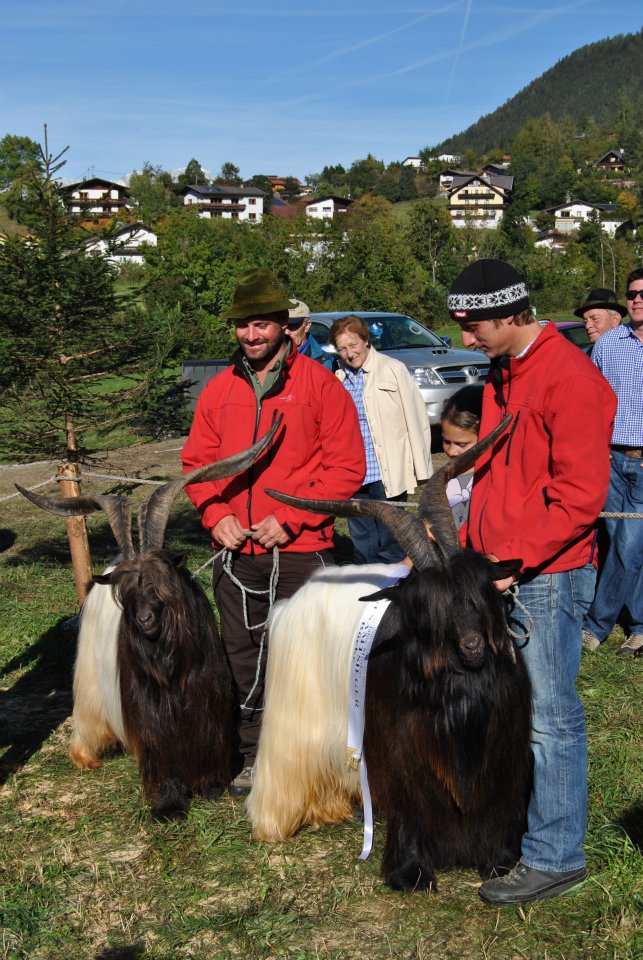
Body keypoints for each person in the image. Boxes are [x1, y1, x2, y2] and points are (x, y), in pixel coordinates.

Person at [448, 258, 616, 905]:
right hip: (498, 573)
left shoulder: (567, 378)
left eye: (472, 325)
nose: (465, 338)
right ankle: (519, 828)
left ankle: (555, 856)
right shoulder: (502, 374)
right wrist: (470, 548)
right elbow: (493, 474)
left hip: (542, 578)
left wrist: (511, 558)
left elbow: (578, 496)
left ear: (511, 312)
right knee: (511, 713)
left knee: (550, 719)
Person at [182, 268, 365, 795]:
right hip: (236, 552)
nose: (251, 335)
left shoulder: (320, 386)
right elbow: (197, 465)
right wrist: (217, 516)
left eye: (261, 324)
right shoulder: (218, 391)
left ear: (285, 327)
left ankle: (326, 763)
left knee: (313, 659)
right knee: (245, 656)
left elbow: (346, 468)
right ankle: (255, 755)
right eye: (243, 325)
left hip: (302, 550)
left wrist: (292, 520)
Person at [329, 314, 432, 564]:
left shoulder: (392, 369)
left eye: (352, 345)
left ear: (365, 340)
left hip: (386, 469)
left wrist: (422, 468)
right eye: (342, 349)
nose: (349, 353)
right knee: (362, 537)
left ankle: (394, 589)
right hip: (354, 470)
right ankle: (367, 586)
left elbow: (416, 418)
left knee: (391, 536)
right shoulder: (338, 379)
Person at [581, 267, 643, 656]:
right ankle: (639, 626)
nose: (637, 299)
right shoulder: (609, 344)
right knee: (622, 542)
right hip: (612, 458)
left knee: (628, 544)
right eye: (633, 293)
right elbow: (593, 402)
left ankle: (597, 624)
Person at [440, 385, 482, 529]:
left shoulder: (486, 480)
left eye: (461, 444)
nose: (452, 451)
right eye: (446, 441)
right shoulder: (445, 476)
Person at [286, 299, 335, 370]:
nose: (286, 332)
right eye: (282, 326)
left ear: (307, 326)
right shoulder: (268, 355)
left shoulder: (322, 362)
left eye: (292, 326)